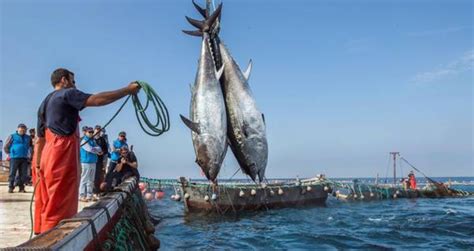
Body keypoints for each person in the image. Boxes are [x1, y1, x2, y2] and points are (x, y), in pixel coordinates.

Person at [33, 68, 140, 234]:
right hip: (61, 153)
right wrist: (127, 90)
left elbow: (39, 138)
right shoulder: (67, 94)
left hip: (47, 153)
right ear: (64, 80)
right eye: (73, 81)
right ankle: (54, 238)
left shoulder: (45, 102)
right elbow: (97, 100)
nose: (75, 85)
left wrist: (39, 164)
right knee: (60, 200)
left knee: (48, 198)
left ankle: (42, 233)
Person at [4, 124, 31, 193]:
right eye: (21, 128)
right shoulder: (12, 136)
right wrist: (10, 153)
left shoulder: (28, 137)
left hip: (24, 158)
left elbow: (31, 147)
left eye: (24, 129)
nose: (23, 130)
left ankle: (21, 188)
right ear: (18, 129)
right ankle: (11, 187)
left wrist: (30, 156)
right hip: (14, 158)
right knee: (12, 173)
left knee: (23, 174)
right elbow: (6, 146)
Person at [79, 127, 102, 202]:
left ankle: (89, 195)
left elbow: (99, 148)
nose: (91, 133)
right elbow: (90, 149)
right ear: (85, 132)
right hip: (86, 162)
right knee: (84, 179)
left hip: (93, 161)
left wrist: (96, 150)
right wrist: (97, 151)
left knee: (91, 180)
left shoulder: (93, 140)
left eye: (92, 132)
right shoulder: (84, 141)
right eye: (89, 132)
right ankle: (81, 195)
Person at [93, 125, 109, 198]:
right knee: (90, 177)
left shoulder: (102, 139)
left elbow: (106, 149)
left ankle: (96, 192)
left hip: (99, 160)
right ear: (94, 130)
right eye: (97, 129)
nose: (98, 131)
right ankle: (89, 193)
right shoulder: (90, 139)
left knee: (98, 176)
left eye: (99, 130)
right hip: (91, 160)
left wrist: (102, 152)